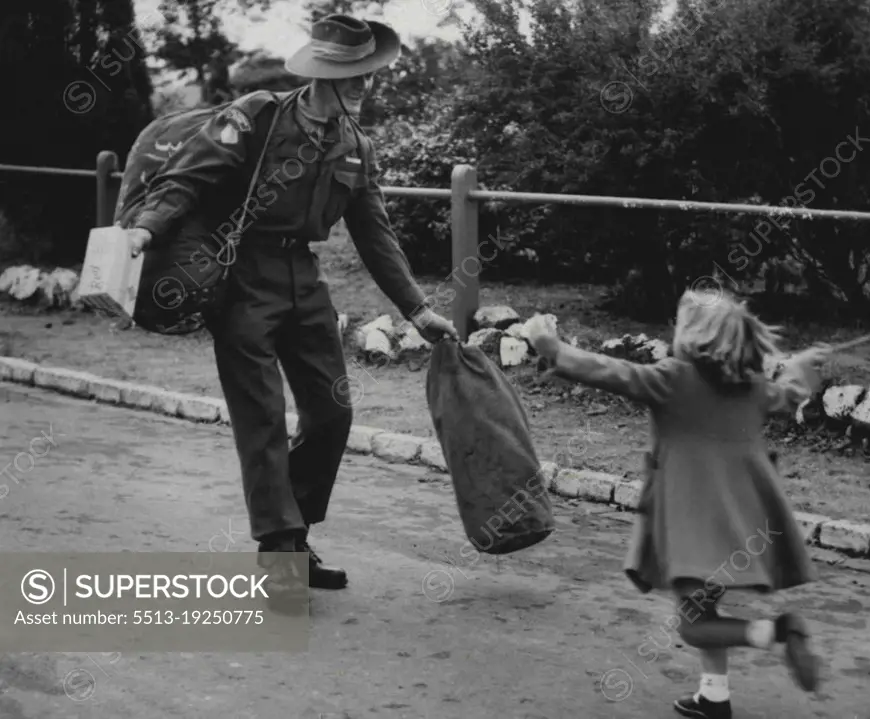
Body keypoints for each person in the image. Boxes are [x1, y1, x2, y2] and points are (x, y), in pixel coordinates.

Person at [121, 14, 458, 607]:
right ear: (322, 72)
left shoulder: (356, 145)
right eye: (352, 73)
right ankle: (282, 553)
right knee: (263, 418)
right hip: (242, 277)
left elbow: (376, 236)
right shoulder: (258, 116)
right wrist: (145, 232)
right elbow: (187, 181)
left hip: (305, 282)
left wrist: (419, 311)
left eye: (370, 74)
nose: (363, 85)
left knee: (333, 415)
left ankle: (292, 534)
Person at [523, 290, 830, 719]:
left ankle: (778, 631)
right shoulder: (753, 388)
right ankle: (714, 697)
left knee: (694, 624)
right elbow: (788, 396)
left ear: (694, 335)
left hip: (691, 527)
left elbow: (610, 371)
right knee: (705, 608)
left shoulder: (672, 379)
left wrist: (550, 346)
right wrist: (800, 370)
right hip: (741, 526)